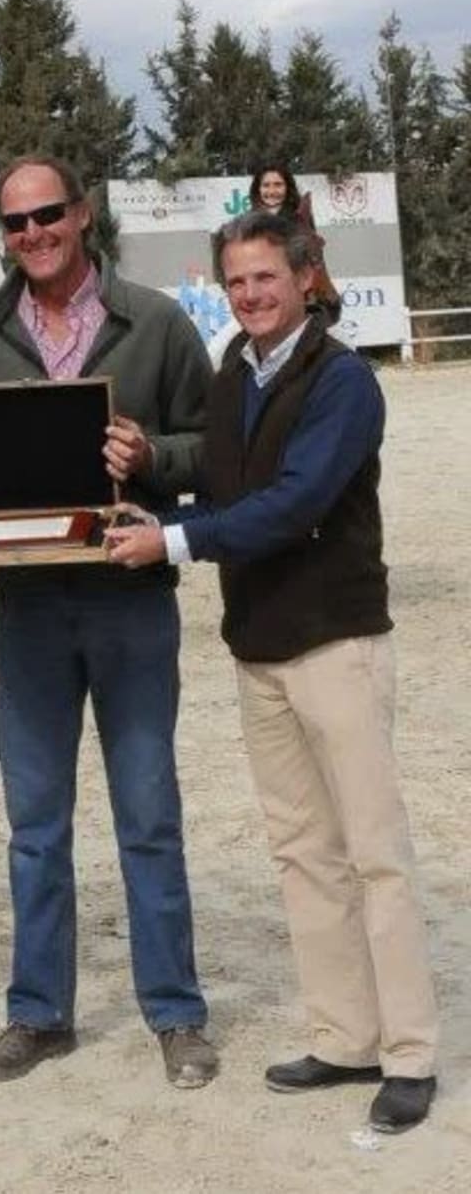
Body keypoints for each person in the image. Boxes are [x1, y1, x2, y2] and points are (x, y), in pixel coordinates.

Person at [106, 210, 439, 1133]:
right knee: (304, 853)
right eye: (237, 281)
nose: (251, 294)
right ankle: (344, 1035)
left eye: (265, 277)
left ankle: (409, 1052)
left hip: (336, 643)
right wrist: (152, 501)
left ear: (303, 278)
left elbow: (295, 504)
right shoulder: (232, 371)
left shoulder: (343, 380)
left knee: (374, 854)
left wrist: (173, 541)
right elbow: (221, 489)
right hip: (259, 647)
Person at [0, 155, 218, 1090]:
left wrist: (152, 455)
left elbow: (216, 448)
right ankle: (38, 1013)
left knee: (149, 816)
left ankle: (176, 1012)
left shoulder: (155, 324)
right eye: (16, 222)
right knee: (35, 824)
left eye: (48, 215)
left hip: (131, 602)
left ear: (82, 213)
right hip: (29, 612)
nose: (33, 234)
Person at [249, 163, 340, 323]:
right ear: (258, 189)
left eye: (278, 185)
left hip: (300, 298)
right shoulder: (249, 223)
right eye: (266, 185)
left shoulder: (300, 218)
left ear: (287, 188)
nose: (272, 191)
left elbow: (316, 259)